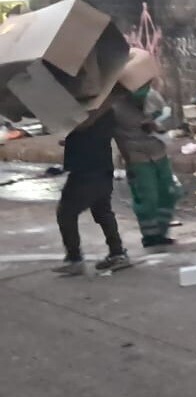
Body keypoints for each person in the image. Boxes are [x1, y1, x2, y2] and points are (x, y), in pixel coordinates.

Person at [54, 111, 130, 276]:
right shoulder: (104, 110)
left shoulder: (89, 111)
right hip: (100, 167)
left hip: (86, 170)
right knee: (102, 211)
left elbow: (83, 126)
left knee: (66, 213)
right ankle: (117, 253)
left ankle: (75, 259)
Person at [110, 84, 182, 249]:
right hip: (137, 157)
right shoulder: (114, 106)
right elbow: (114, 135)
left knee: (168, 193)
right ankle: (150, 235)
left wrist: (157, 124)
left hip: (159, 153)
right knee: (147, 198)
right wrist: (126, 160)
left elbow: (167, 120)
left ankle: (162, 232)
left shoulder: (152, 96)